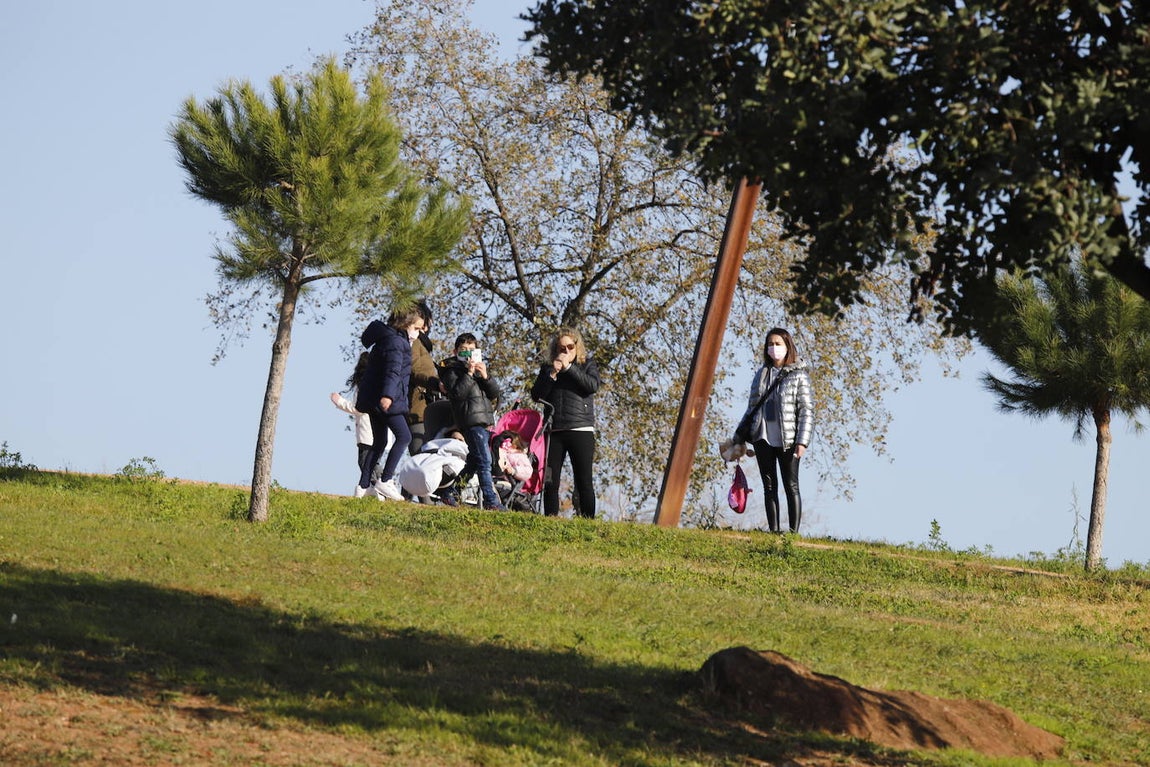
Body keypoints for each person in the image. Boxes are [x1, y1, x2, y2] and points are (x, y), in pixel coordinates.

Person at [736, 327, 814, 533]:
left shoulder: (799, 376)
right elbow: (751, 408)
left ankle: (792, 532)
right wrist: (740, 436)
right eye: (770, 344)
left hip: (787, 439)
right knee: (769, 487)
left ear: (788, 347)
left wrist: (802, 441)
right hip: (763, 437)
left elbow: (806, 411)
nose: (774, 348)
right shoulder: (761, 374)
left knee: (791, 485)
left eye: (778, 344)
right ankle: (774, 530)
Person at [354, 307, 426, 501]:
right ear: (405, 325)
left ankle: (363, 485)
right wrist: (388, 396)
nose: (418, 333)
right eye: (417, 329)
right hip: (387, 400)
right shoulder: (398, 342)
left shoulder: (386, 339)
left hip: (374, 400)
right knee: (404, 437)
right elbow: (393, 372)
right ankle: (385, 480)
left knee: (379, 442)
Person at [531, 327, 600, 519]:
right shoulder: (547, 368)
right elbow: (536, 395)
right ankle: (550, 518)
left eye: (570, 346)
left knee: (583, 480)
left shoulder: (587, 364)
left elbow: (592, 386)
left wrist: (569, 368)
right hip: (554, 430)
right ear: (555, 349)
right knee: (550, 480)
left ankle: (588, 522)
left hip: (581, 429)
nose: (566, 351)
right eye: (562, 348)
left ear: (577, 347)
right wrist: (552, 373)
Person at [437, 333, 505, 510]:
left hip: (484, 420)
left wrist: (485, 377)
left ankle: (451, 491)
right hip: (469, 420)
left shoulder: (479, 371)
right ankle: (491, 501)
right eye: (464, 351)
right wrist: (468, 373)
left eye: (471, 350)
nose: (468, 354)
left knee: (475, 461)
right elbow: (457, 394)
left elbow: (494, 394)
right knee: (485, 460)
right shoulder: (450, 371)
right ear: (456, 351)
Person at [330, 352, 393, 498]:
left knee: (367, 463)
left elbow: (359, 408)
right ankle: (378, 488)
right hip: (375, 433)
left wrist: (339, 401)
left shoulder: (368, 384)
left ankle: (379, 488)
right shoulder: (379, 382)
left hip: (369, 434)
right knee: (370, 463)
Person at [406, 300, 440, 456]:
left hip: (427, 409)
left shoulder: (422, 344)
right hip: (418, 411)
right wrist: (437, 383)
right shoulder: (414, 342)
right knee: (421, 455)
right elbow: (414, 369)